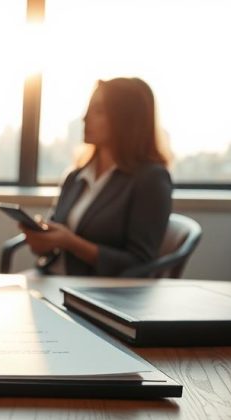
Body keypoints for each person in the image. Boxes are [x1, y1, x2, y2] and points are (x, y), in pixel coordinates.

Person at [20, 77, 172, 276]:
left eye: (98, 111)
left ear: (126, 120)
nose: (85, 118)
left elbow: (139, 263)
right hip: (50, 278)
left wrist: (71, 243)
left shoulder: (150, 179)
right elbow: (53, 241)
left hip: (94, 293)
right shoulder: (76, 177)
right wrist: (42, 239)